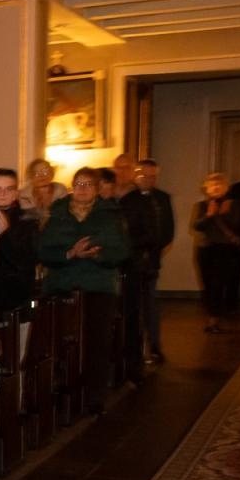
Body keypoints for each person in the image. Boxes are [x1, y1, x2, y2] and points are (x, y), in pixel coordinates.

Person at [39, 167, 129, 413]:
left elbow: (122, 250)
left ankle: (93, 396)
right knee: (57, 342)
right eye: (78, 183)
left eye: (88, 184)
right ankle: (61, 392)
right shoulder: (58, 213)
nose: (82, 189)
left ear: (98, 189)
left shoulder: (110, 215)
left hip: (98, 286)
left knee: (96, 343)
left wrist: (97, 254)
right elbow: (43, 251)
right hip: (61, 286)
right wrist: (69, 253)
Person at [117, 159, 174, 370]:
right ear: (136, 175)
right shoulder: (127, 200)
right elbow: (123, 233)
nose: (148, 180)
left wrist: (153, 248)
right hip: (131, 261)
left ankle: (155, 346)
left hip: (151, 261)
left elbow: (168, 231)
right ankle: (133, 350)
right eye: (144, 175)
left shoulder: (163, 199)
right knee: (132, 308)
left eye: (152, 176)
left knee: (151, 305)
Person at [191, 173, 240, 333]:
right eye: (212, 185)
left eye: (220, 185)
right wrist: (209, 215)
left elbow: (238, 224)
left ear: (226, 188)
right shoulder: (201, 205)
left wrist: (222, 214)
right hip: (205, 248)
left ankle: (215, 318)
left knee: (218, 284)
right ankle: (211, 316)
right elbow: (196, 226)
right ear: (206, 188)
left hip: (225, 249)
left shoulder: (233, 204)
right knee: (207, 284)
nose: (216, 188)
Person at [0, 168, 37, 321]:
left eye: (9, 189)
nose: (3, 194)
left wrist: (4, 236)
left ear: (16, 193)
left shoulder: (27, 221)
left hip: (17, 302)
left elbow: (26, 261)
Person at [20, 158, 67, 226]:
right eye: (36, 173)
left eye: (45, 171)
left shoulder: (60, 189)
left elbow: (63, 215)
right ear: (31, 176)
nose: (41, 176)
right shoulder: (24, 194)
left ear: (51, 173)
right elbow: (28, 218)